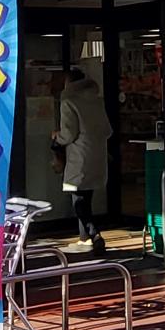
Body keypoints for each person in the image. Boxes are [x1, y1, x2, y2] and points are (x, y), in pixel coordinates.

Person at [53, 65, 111, 254]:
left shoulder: (68, 101)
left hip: (79, 155)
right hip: (97, 153)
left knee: (78, 199)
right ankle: (84, 238)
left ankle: (94, 235)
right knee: (86, 197)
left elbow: (68, 134)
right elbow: (107, 129)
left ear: (68, 83)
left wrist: (56, 137)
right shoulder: (96, 100)